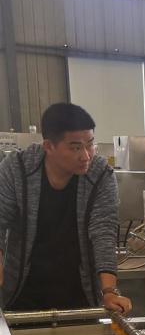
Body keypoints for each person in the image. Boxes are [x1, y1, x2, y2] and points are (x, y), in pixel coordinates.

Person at [0, 102, 131, 314]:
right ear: (48, 146)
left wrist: (109, 291)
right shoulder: (17, 169)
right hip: (22, 295)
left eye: (90, 144)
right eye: (76, 147)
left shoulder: (100, 175)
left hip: (80, 295)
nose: (86, 155)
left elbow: (103, 232)